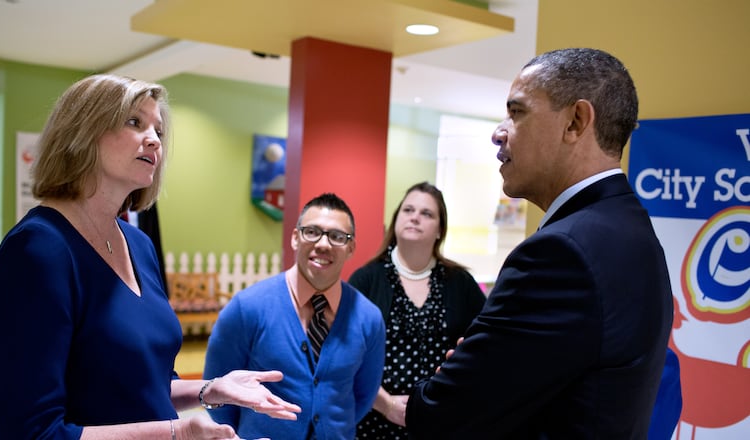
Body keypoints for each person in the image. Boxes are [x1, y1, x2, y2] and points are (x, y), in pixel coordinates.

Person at [0, 74, 300, 440]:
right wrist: (176, 433)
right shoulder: (39, 251)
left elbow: (141, 385)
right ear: (82, 132)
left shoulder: (138, 244)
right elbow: (30, 433)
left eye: (159, 131)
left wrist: (209, 389)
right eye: (135, 122)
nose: (154, 140)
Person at [404, 48, 674, 439]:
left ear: (575, 122)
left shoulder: (561, 254)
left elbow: (441, 412)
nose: (498, 132)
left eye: (517, 112)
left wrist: (463, 372)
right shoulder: (630, 226)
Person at [204, 193, 386, 439]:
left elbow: (363, 395)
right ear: (295, 238)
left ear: (351, 247)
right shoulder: (246, 308)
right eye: (312, 232)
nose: (323, 244)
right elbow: (218, 392)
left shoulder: (369, 318)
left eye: (337, 237)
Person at [349, 181, 486, 439]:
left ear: (439, 230)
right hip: (374, 420)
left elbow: (484, 345)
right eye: (408, 210)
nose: (415, 217)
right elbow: (343, 353)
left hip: (442, 422)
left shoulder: (460, 283)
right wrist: (386, 404)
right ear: (396, 220)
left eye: (426, 213)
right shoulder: (366, 280)